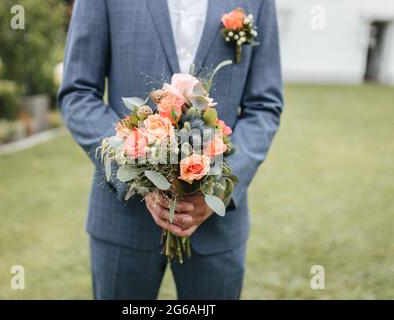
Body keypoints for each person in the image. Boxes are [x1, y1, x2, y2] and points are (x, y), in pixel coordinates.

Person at [58, 0, 283, 300]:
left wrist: (216, 190)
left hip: (216, 225)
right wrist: (137, 175)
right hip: (123, 218)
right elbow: (78, 93)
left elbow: (264, 106)